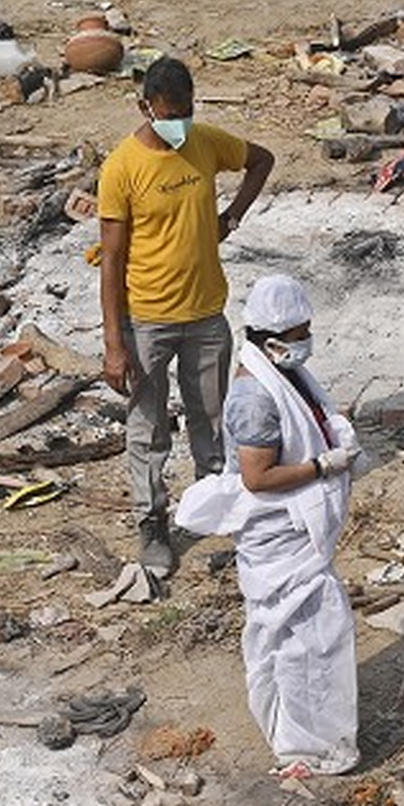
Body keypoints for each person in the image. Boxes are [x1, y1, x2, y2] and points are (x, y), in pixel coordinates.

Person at [175, 275, 362, 778]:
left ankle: (312, 735)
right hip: (279, 539)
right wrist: (326, 466)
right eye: (300, 331)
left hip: (296, 537)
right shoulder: (254, 397)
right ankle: (303, 746)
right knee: (305, 638)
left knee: (314, 637)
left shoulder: (283, 373)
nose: (306, 340)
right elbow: (258, 477)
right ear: (273, 337)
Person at [98, 56, 275, 575]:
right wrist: (114, 341)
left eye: (187, 111)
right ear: (145, 107)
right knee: (148, 427)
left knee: (213, 421)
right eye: (170, 113)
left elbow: (260, 160)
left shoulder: (203, 142)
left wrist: (232, 216)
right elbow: (110, 260)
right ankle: (151, 522)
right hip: (147, 319)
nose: (179, 122)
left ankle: (213, 512)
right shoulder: (122, 168)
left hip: (205, 316)